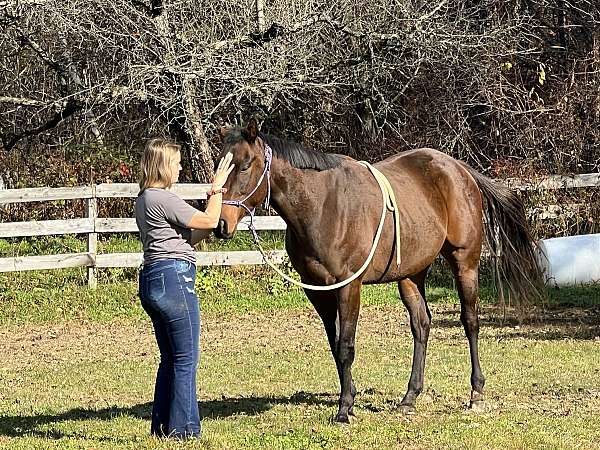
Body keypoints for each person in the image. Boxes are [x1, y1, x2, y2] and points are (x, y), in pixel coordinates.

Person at [135, 138, 234, 439]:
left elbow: (189, 237)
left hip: (155, 278)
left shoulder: (145, 199)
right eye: (176, 162)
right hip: (174, 280)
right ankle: (184, 432)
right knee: (185, 359)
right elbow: (209, 218)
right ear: (164, 166)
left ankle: (162, 428)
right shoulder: (162, 197)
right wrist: (215, 190)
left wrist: (212, 220)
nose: (180, 167)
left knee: (171, 358)